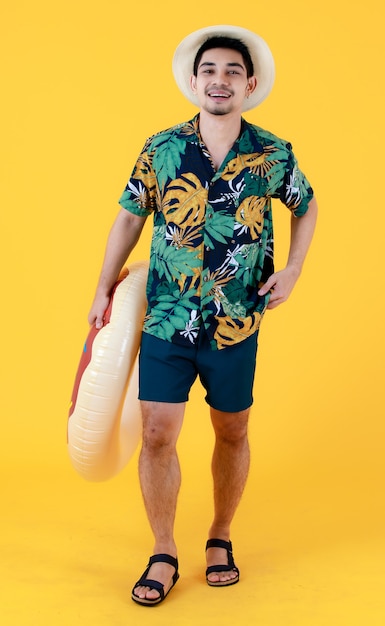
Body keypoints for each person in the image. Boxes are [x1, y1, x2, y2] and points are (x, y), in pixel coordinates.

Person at [88, 25, 318, 606]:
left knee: (231, 428)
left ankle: (220, 535)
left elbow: (307, 205)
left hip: (238, 320)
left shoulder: (272, 152)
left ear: (251, 83)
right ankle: (163, 549)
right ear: (193, 81)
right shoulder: (161, 147)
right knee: (159, 432)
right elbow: (128, 220)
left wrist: (292, 269)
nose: (220, 80)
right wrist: (101, 290)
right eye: (209, 70)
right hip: (167, 317)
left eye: (231, 72)